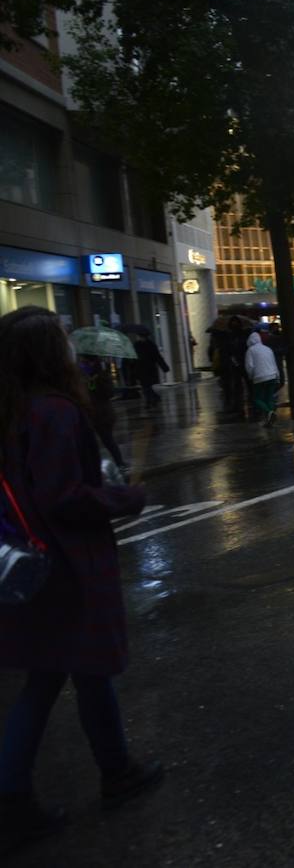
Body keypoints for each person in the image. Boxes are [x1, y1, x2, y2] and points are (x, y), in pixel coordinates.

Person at [0, 308, 163, 853]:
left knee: (54, 677)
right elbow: (64, 497)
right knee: (75, 671)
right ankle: (27, 794)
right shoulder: (55, 413)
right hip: (69, 563)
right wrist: (126, 497)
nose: (71, 346)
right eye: (63, 339)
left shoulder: (14, 409)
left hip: (32, 562)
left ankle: (109, 770)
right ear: (50, 353)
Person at [78, 356, 126, 470]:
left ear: (93, 363)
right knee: (91, 441)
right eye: (82, 362)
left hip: (103, 415)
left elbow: (109, 393)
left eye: (85, 362)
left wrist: (97, 382)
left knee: (107, 440)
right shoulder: (83, 377)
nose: (83, 365)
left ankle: (120, 463)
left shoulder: (101, 376)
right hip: (91, 414)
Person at [244, 331, 280, 426]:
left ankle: (269, 412)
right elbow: (274, 363)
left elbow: (249, 366)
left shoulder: (250, 350)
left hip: (259, 377)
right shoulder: (268, 349)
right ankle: (270, 418)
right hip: (272, 375)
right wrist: (277, 376)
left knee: (257, 398)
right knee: (269, 398)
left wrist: (251, 376)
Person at [132, 332, 169, 407]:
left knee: (146, 386)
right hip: (140, 368)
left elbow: (157, 357)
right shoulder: (136, 345)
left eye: (141, 336)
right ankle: (153, 398)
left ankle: (149, 401)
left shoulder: (151, 345)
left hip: (149, 368)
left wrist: (164, 367)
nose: (140, 338)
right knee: (145, 386)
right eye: (139, 336)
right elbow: (134, 357)